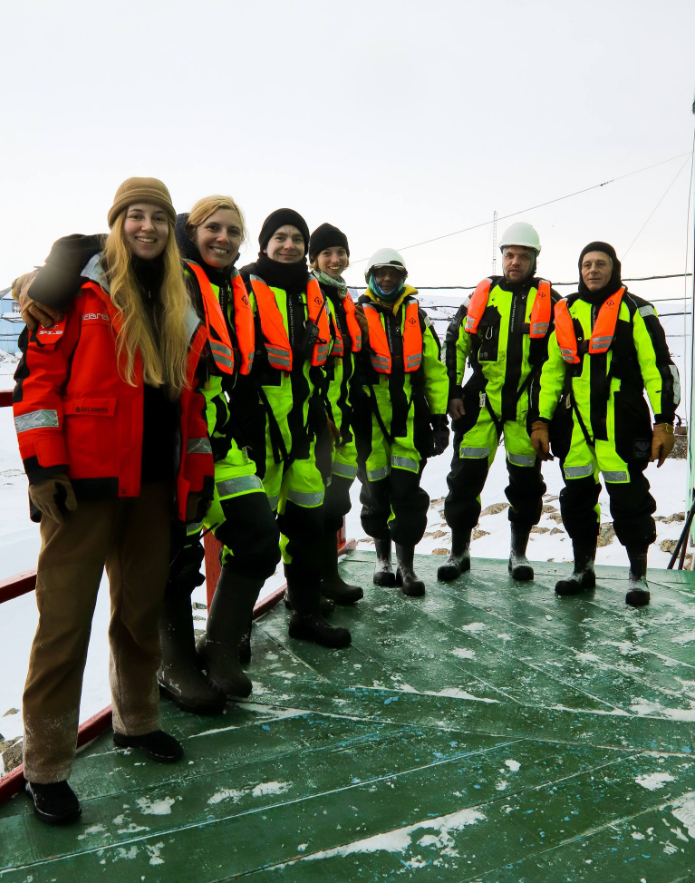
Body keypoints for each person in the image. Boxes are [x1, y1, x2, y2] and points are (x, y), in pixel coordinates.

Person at [12, 178, 214, 824]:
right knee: (62, 626)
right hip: (85, 488)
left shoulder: (184, 299)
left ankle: (135, 720)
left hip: (155, 486)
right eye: (135, 215)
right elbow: (37, 380)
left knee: (138, 613)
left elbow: (193, 403)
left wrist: (197, 474)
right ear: (117, 223)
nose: (147, 226)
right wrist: (44, 467)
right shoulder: (81, 288)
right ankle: (45, 766)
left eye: (157, 216)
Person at [163, 197, 281, 705]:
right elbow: (104, 253)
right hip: (171, 441)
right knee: (178, 555)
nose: (224, 238)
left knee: (258, 535)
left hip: (220, 440)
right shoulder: (167, 272)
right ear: (192, 230)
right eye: (213, 227)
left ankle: (219, 646)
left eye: (234, 231)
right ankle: (172, 663)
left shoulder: (236, 290)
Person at [530, 241, 678, 606]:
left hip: (622, 424)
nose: (592, 270)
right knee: (577, 500)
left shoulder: (637, 311)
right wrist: (541, 422)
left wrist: (663, 423)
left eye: (600, 263)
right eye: (586, 264)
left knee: (630, 501)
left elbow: (658, 370)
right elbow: (550, 372)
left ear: (614, 268)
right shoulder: (565, 311)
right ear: (579, 271)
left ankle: (637, 576)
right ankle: (583, 569)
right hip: (575, 426)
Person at [238, 209, 351, 648]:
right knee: (250, 533)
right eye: (279, 237)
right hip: (258, 433)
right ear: (264, 243)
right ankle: (236, 631)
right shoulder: (242, 288)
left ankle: (305, 614)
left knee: (307, 526)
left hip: (305, 430)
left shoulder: (313, 294)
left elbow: (320, 366)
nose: (288, 245)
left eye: (296, 239)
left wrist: (324, 416)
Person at [439, 222, 561, 583]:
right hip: (481, 403)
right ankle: (459, 551)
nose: (515, 262)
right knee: (463, 481)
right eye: (510, 255)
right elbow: (454, 343)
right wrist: (452, 391)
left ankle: (518, 554)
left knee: (526, 485)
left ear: (534, 260)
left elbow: (562, 360)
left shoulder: (552, 302)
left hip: (527, 407)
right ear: (502, 257)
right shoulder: (481, 295)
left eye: (523, 256)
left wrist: (548, 414)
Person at [354, 248, 449, 596]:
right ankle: (383, 561)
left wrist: (439, 420)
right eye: (381, 273)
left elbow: (435, 373)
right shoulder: (356, 315)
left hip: (409, 417)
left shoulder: (418, 318)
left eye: (394, 274)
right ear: (370, 277)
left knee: (406, 494)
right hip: (369, 419)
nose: (388, 279)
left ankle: (407, 567)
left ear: (403, 278)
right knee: (375, 492)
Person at [309, 223, 368, 605]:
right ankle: (309, 586)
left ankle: (328, 577)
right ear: (313, 258)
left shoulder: (346, 300)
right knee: (309, 508)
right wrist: (318, 414)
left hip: (345, 418)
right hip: (318, 420)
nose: (335, 260)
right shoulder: (308, 296)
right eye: (327, 253)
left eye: (341, 253)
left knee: (335, 505)